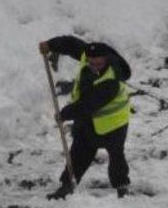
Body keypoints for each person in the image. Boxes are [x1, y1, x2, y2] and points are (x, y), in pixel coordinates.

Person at [38, 35, 132, 199]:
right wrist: (51, 45)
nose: (94, 67)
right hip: (88, 121)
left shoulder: (111, 80)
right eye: (91, 63)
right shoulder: (88, 55)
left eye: (99, 64)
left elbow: (88, 103)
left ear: (107, 60)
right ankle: (67, 185)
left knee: (116, 156)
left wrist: (65, 114)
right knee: (79, 153)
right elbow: (71, 44)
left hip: (114, 124)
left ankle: (122, 186)